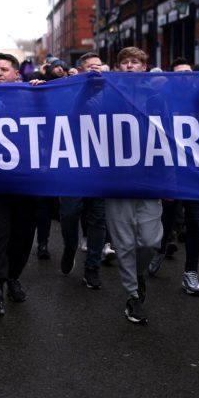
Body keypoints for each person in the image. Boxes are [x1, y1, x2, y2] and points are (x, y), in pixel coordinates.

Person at [100, 47, 162, 325]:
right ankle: (133, 295)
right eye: (124, 62)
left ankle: (138, 274)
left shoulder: (158, 97)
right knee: (124, 242)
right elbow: (79, 115)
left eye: (134, 62)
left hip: (150, 180)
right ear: (117, 68)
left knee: (149, 241)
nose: (129, 66)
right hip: (117, 180)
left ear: (144, 67)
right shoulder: (107, 94)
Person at [0, 53, 38, 318]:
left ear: (16, 74)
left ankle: (13, 277)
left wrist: (43, 92)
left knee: (23, 236)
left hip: (26, 181)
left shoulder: (31, 96)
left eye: (4, 69)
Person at [149, 57, 199, 297]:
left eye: (188, 72)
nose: (184, 76)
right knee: (167, 217)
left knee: (194, 221)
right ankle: (160, 249)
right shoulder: (159, 100)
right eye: (179, 72)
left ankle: (191, 271)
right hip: (169, 170)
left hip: (195, 172)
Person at [58, 51, 110, 290]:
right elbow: (74, 109)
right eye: (90, 67)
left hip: (100, 166)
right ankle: (70, 247)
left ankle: (92, 268)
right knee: (69, 214)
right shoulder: (68, 91)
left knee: (98, 218)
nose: (96, 70)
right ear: (80, 71)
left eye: (99, 66)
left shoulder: (111, 91)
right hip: (73, 165)